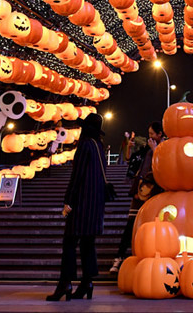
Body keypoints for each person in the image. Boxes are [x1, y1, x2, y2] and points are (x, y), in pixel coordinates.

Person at [48, 113, 107, 301]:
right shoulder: (99, 145)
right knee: (88, 244)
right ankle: (87, 283)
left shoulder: (85, 145)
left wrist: (69, 199)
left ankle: (65, 283)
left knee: (70, 243)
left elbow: (78, 174)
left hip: (82, 202)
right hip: (95, 204)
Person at [110, 121, 164, 273]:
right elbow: (131, 160)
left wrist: (156, 151)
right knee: (130, 225)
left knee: (153, 228)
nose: (150, 137)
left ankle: (148, 260)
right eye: (149, 134)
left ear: (160, 134)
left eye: (152, 134)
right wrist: (130, 147)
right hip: (140, 191)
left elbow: (166, 167)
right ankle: (119, 258)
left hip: (156, 193)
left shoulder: (165, 148)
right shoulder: (146, 149)